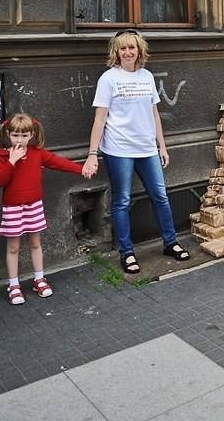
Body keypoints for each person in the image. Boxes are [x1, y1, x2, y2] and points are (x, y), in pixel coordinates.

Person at [83, 29, 189, 274]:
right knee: (122, 200)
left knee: (160, 196)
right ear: (116, 52)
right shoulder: (109, 79)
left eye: (132, 48)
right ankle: (127, 252)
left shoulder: (146, 77)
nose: (128, 52)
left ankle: (170, 242)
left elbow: (154, 114)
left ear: (139, 50)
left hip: (146, 148)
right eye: (123, 48)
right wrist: (92, 153)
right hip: (118, 149)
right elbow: (100, 119)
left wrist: (161, 145)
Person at [0, 113, 95, 305]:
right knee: (13, 247)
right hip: (13, 207)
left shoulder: (36, 153)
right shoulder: (2, 155)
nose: (19, 140)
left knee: (35, 243)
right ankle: (13, 284)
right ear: (8, 134)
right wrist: (11, 161)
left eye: (24, 136)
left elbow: (57, 162)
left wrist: (81, 169)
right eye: (15, 135)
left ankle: (39, 279)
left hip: (33, 205)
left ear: (31, 135)